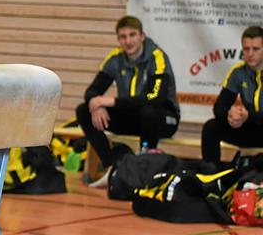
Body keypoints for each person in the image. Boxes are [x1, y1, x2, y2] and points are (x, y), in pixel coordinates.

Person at [76, 16, 180, 187]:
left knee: (149, 111)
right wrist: (97, 105)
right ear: (118, 39)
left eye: (132, 35)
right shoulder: (115, 58)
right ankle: (112, 165)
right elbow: (92, 91)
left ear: (142, 36)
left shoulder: (157, 57)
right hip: (133, 117)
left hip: (164, 119)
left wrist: (111, 102)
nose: (128, 41)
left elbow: (154, 98)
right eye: (123, 37)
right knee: (83, 110)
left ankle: (144, 169)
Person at [201, 25, 263, 168]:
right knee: (211, 128)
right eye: (246, 49)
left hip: (257, 123)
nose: (250, 54)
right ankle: (211, 176)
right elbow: (219, 108)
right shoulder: (238, 72)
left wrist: (248, 117)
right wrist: (230, 115)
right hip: (251, 127)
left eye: (256, 49)